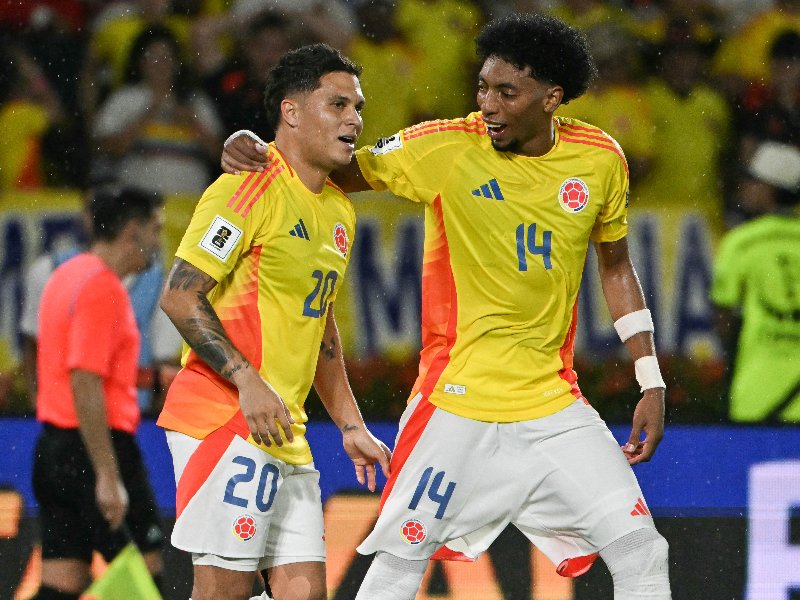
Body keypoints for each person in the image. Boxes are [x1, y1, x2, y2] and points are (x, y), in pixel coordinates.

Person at [221, 12, 671, 600]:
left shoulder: (600, 158)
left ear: (551, 98)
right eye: (482, 87)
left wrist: (651, 378)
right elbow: (332, 169)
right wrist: (263, 149)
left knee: (643, 550)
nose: (487, 103)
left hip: (553, 405)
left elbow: (614, 266)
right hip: (455, 405)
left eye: (507, 92)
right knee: (398, 565)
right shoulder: (444, 146)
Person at [157, 44, 392, 600]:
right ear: (291, 112)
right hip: (223, 416)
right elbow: (180, 296)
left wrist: (351, 424)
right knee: (223, 590)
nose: (354, 119)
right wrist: (245, 378)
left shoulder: (339, 210)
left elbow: (322, 327)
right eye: (337, 104)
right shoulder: (245, 187)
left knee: (305, 593)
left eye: (358, 107)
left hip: (284, 428)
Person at [31, 186, 165, 600]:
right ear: (131, 232)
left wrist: (153, 381)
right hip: (96, 449)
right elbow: (84, 380)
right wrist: (108, 476)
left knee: (62, 582)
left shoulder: (67, 276)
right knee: (144, 579)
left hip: (54, 449)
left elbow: (79, 367)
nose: (160, 241)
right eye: (156, 230)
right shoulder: (102, 287)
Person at [711, 141, 800, 422]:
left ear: (770, 189)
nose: (744, 188)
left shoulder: (741, 242)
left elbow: (724, 319)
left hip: (757, 394)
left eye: (752, 181)